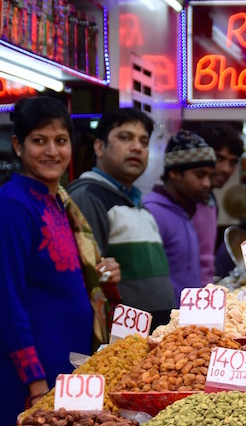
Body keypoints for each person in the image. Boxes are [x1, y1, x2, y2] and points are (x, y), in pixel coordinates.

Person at [0, 95, 120, 426]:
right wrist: (35, 381)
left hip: (66, 370)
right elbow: (6, 302)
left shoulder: (58, 201)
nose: (51, 152)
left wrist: (101, 273)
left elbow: (59, 280)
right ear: (18, 144)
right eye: (39, 141)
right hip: (29, 377)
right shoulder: (11, 208)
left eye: (60, 141)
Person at [68, 108, 175, 326]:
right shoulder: (88, 196)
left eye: (144, 142)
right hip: (120, 342)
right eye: (125, 138)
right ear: (99, 146)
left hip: (152, 338)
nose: (137, 147)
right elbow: (86, 280)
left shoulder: (138, 204)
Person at [142, 130, 216, 304]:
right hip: (166, 323)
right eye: (200, 175)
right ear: (174, 173)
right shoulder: (152, 213)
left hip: (188, 322)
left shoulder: (183, 210)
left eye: (208, 176)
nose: (207, 183)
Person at [191, 124, 246, 280]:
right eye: (219, 158)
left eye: (232, 162)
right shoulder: (182, 203)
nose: (226, 169)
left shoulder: (211, 201)